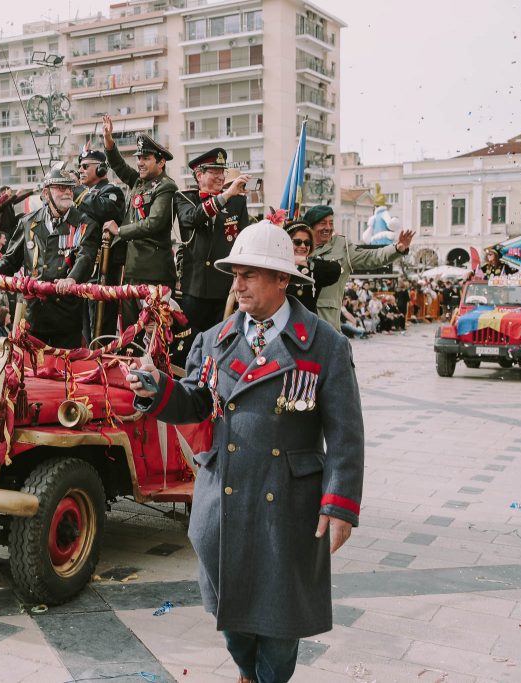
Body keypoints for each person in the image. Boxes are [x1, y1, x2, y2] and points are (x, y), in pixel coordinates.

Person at [127, 219, 364, 683]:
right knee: (229, 614)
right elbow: (195, 402)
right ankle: (245, 671)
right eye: (235, 274)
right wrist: (157, 389)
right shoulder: (213, 340)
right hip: (225, 498)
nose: (238, 284)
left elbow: (346, 434)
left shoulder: (325, 345)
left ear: (282, 280)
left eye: (249, 274)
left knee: (279, 624)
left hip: (287, 504)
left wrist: (339, 505)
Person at [0, 167, 99, 347]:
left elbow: (85, 257)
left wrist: (71, 279)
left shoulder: (85, 224)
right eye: (60, 188)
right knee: (31, 370)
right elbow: (10, 259)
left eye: (70, 188)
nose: (67, 192)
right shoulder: (28, 222)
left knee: (65, 371)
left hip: (65, 315)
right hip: (34, 315)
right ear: (46, 194)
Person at [100, 117, 179, 330]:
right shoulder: (139, 181)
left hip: (155, 275)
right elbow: (118, 165)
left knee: (152, 335)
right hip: (133, 272)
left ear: (161, 162)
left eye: (146, 158)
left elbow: (153, 223)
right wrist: (108, 140)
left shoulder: (166, 187)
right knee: (130, 332)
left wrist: (119, 231)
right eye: (139, 158)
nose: (140, 163)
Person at [175, 148, 251, 333]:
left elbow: (243, 241)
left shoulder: (237, 202)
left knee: (221, 341)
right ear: (199, 175)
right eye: (214, 172)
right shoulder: (185, 198)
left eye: (222, 172)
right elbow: (193, 218)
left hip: (225, 288)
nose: (221, 177)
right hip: (195, 287)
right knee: (190, 341)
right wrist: (224, 196)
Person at [303, 205, 413, 330]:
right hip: (298, 320)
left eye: (331, 223)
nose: (328, 227)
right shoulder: (298, 245)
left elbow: (371, 257)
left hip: (327, 322)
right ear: (311, 227)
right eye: (323, 223)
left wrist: (396, 249)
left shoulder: (342, 246)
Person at [75, 147, 127, 338]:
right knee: (83, 330)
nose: (80, 170)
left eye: (85, 166)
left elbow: (105, 210)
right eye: (79, 166)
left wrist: (78, 193)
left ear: (101, 169)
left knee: (99, 328)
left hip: (102, 271)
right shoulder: (84, 194)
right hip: (82, 267)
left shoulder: (112, 191)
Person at [286, 222, 341, 313]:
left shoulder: (312, 267)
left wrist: (303, 261)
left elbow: (335, 270)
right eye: (297, 242)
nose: (303, 246)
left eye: (307, 242)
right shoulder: (275, 265)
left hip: (304, 324)